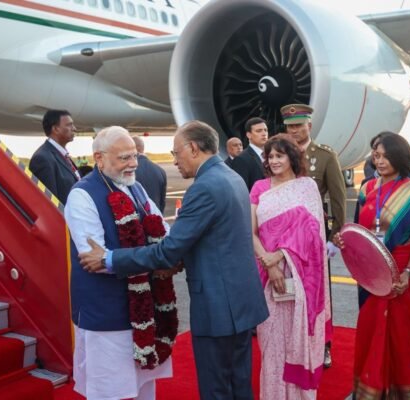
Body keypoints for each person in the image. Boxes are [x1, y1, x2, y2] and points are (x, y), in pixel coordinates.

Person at [79, 120, 269, 400]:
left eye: (176, 153)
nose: (175, 161)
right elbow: (215, 239)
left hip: (218, 307)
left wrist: (109, 259)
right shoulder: (230, 176)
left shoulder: (203, 187)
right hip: (240, 302)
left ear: (193, 148)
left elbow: (168, 250)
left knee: (217, 388)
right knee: (239, 383)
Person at [334, 134, 410, 399]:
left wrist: (408, 273)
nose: (380, 160)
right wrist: (345, 241)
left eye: (386, 155)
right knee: (369, 335)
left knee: (403, 340)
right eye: (376, 155)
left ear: (400, 157)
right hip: (373, 277)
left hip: (404, 276)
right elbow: (360, 233)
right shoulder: (366, 188)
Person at [64, 126, 176, 400]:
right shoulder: (82, 196)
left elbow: (163, 230)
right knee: (109, 391)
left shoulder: (135, 188)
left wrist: (166, 252)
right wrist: (157, 257)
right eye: (124, 158)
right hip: (106, 312)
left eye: (134, 156)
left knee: (144, 386)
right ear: (99, 159)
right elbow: (95, 259)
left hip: (143, 309)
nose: (133, 164)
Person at [251, 134, 328, 399]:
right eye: (270, 156)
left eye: (279, 155)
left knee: (297, 340)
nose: (274, 161)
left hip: (300, 275)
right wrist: (269, 263)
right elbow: (250, 232)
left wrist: (281, 256)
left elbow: (313, 232)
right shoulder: (260, 188)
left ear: (292, 157)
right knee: (271, 342)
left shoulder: (306, 187)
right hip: (266, 275)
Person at [281, 103, 345, 368]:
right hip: (285, 237)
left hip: (314, 236)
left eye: (299, 125)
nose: (294, 131)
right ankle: (294, 343)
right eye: (290, 127)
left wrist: (334, 237)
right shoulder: (280, 154)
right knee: (289, 292)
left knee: (319, 294)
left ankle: (324, 345)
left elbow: (339, 198)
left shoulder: (325, 156)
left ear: (309, 125)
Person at [29, 109, 80, 204]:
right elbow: (49, 203)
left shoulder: (63, 156)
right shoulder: (43, 159)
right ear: (56, 129)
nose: (74, 128)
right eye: (69, 125)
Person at [133, 136, 168, 213]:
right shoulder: (160, 170)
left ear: (135, 148)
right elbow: (162, 202)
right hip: (156, 219)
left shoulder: (129, 170)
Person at [232, 117, 269, 191]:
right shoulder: (241, 159)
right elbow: (241, 190)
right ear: (249, 135)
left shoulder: (272, 154)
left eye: (265, 130)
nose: (264, 134)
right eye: (259, 131)